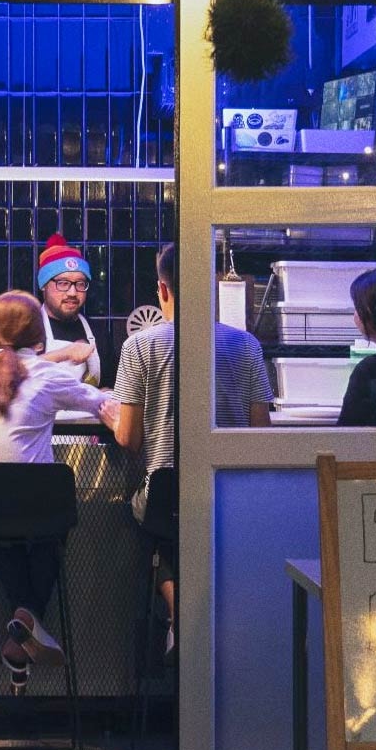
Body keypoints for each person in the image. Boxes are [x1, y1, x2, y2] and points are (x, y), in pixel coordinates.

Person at [0, 290, 115, 690]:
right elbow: (103, 406)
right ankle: (24, 624)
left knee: (5, 532)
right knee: (42, 530)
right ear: (39, 334)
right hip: (32, 507)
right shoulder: (49, 376)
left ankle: (22, 627)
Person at [112, 244, 271, 658]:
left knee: (157, 515)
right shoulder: (246, 345)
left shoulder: (140, 347)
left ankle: (180, 618)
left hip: (167, 493)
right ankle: (215, 624)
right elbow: (260, 432)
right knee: (197, 519)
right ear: (214, 289)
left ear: (162, 290)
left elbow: (128, 438)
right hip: (231, 496)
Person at [34, 233, 115, 387]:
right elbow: (13, 375)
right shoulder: (27, 329)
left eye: (80, 284)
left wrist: (106, 395)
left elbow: (111, 383)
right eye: (63, 283)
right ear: (44, 285)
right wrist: (65, 353)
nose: (72, 293)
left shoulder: (97, 332)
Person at [338, 268, 376, 427]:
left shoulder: (369, 371)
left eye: (357, 307)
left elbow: (347, 434)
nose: (355, 315)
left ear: (370, 312)